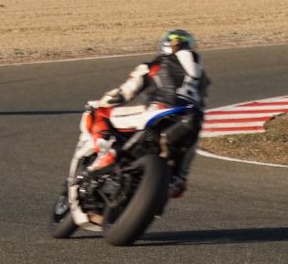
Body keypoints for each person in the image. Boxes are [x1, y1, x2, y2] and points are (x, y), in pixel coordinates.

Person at [84, 29, 209, 193]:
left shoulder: (157, 64)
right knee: (191, 142)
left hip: (160, 110)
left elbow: (125, 92)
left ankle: (106, 152)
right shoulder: (202, 77)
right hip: (191, 119)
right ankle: (178, 177)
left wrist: (103, 102)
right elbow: (201, 104)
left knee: (99, 113)